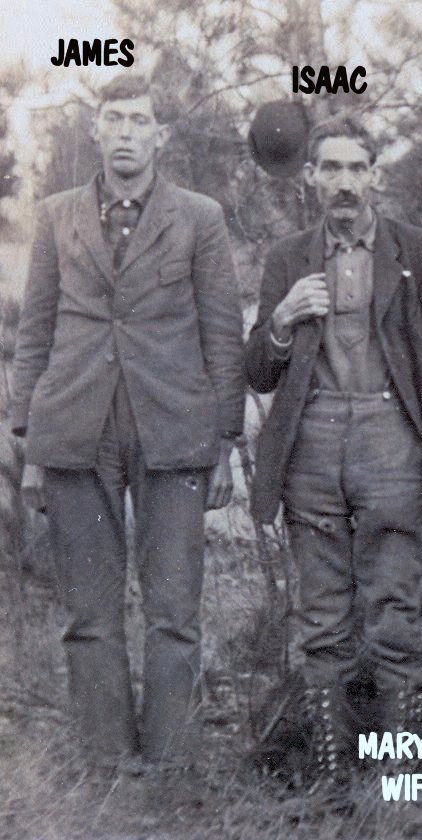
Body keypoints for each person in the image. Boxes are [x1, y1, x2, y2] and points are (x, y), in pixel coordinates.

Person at [11, 73, 244, 773]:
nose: (125, 133)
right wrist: (28, 443)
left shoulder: (199, 217)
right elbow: (36, 332)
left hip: (172, 427)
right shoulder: (57, 216)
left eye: (139, 120)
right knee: (89, 608)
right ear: (96, 131)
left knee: (174, 606)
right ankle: (106, 758)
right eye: (114, 119)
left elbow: (222, 333)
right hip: (76, 426)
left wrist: (225, 441)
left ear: (160, 136)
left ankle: (172, 757)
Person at [244, 115, 422, 785]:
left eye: (356, 168)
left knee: (396, 610)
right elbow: (258, 372)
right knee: (321, 620)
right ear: (311, 178)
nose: (344, 183)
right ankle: (331, 780)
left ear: (375, 176)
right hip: (311, 445)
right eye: (330, 169)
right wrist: (281, 319)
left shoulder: (419, 253)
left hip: (390, 440)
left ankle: (398, 779)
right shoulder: (287, 258)